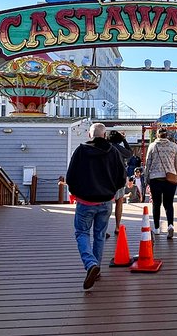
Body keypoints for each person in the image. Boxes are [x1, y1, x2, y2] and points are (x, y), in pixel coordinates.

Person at [65, 122, 125, 290]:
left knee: (82, 233)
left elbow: (70, 177)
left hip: (85, 201)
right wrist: (111, 191)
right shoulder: (113, 152)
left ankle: (91, 264)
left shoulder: (80, 151)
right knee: (99, 235)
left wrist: (77, 193)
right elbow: (121, 178)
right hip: (106, 201)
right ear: (104, 135)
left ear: (90, 135)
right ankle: (96, 269)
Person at [144, 127, 177, 239]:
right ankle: (170, 225)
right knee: (169, 204)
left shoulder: (152, 146)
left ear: (157, 135)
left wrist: (147, 178)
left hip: (155, 179)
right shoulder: (173, 146)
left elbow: (147, 164)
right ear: (167, 135)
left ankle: (156, 228)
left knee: (156, 204)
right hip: (170, 178)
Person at [107, 130, 132, 237]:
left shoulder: (104, 146)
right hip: (118, 179)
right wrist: (124, 140)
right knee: (119, 201)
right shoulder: (118, 148)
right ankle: (117, 226)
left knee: (105, 203)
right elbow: (130, 153)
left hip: (105, 179)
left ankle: (103, 228)